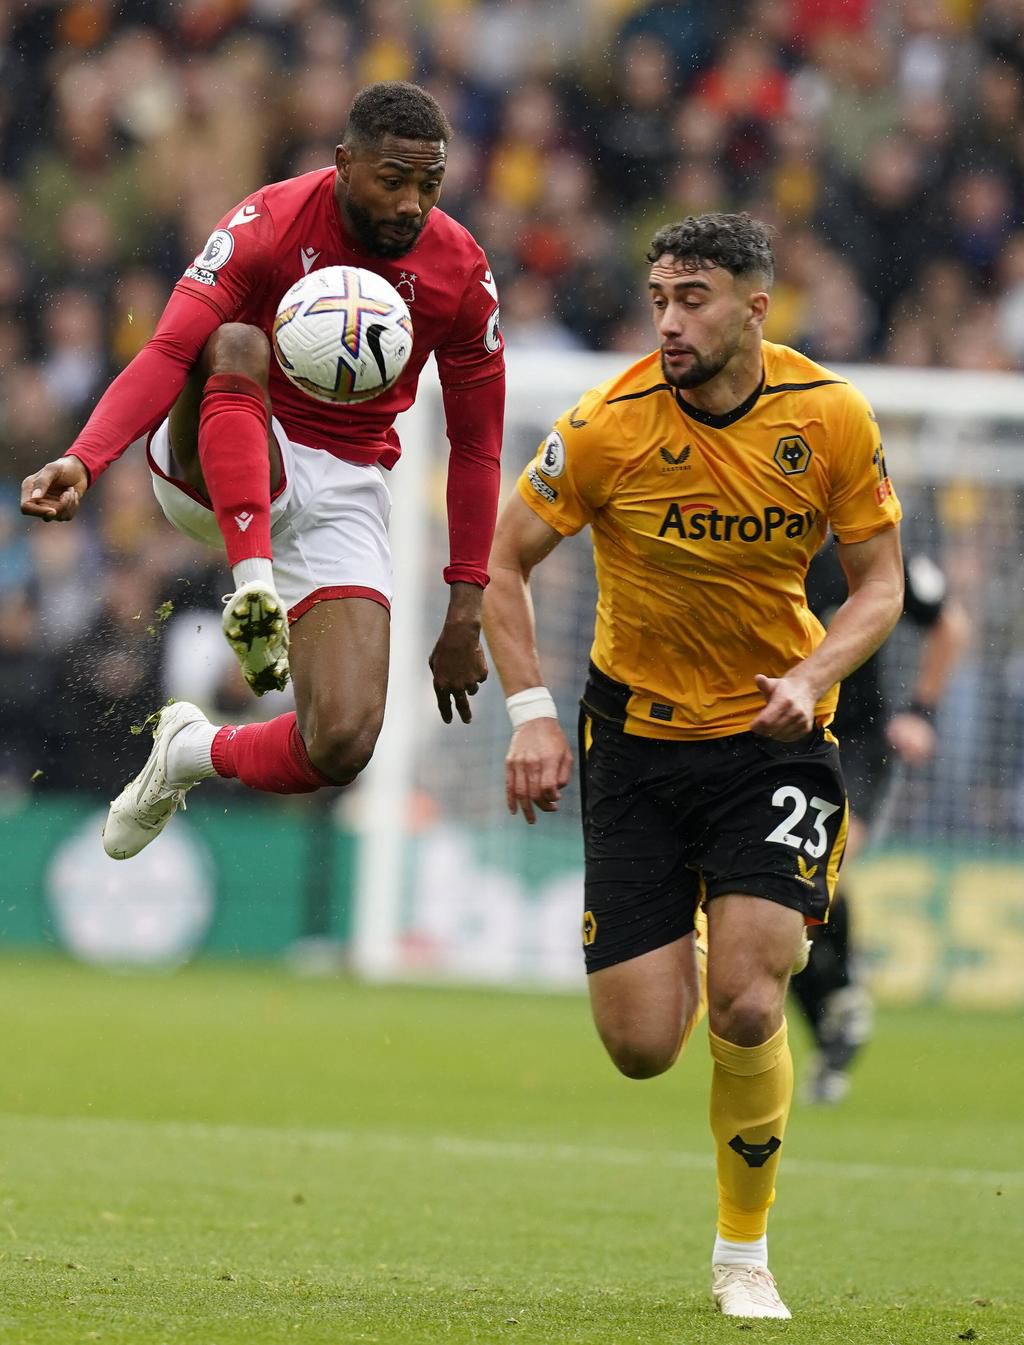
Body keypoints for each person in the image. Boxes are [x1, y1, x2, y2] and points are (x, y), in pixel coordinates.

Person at [482, 213, 904, 1321]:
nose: (669, 319)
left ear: (756, 307)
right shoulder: (607, 426)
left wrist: (815, 675)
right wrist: (528, 713)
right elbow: (501, 561)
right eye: (659, 297)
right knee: (639, 1047)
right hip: (632, 746)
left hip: (773, 744)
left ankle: (741, 1253)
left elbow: (879, 587)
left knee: (753, 1001)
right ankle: (713, 922)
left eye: (694, 298)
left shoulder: (829, 418)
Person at [19, 81, 504, 859]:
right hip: (222, 448)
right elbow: (172, 349)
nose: (413, 202)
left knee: (342, 742)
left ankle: (189, 751)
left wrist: (464, 607)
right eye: (394, 180)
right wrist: (85, 456)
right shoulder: (268, 222)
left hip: (345, 483)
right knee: (235, 342)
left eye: (430, 183)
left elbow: (478, 447)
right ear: (344, 163)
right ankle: (254, 592)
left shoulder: (459, 271)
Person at [792, 538, 969, 1102]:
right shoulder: (763, 547)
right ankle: (833, 1025)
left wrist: (923, 711)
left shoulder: (869, 551)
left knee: (818, 867)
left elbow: (950, 623)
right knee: (780, 898)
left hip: (856, 745)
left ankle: (843, 991)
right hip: (781, 743)